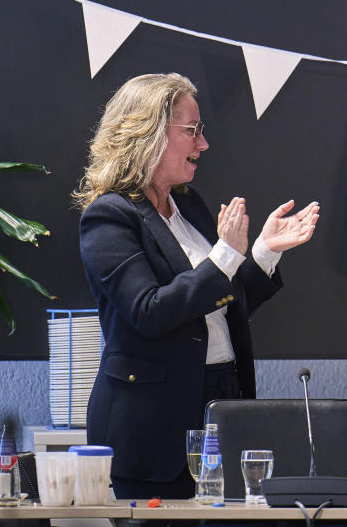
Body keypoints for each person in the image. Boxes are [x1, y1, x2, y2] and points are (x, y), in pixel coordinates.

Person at [75, 73, 319, 499]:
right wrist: (225, 254)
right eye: (192, 131)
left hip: (222, 396)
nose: (202, 144)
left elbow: (219, 301)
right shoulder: (108, 216)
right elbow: (149, 311)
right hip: (153, 423)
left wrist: (262, 251)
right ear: (147, 134)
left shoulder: (188, 204)